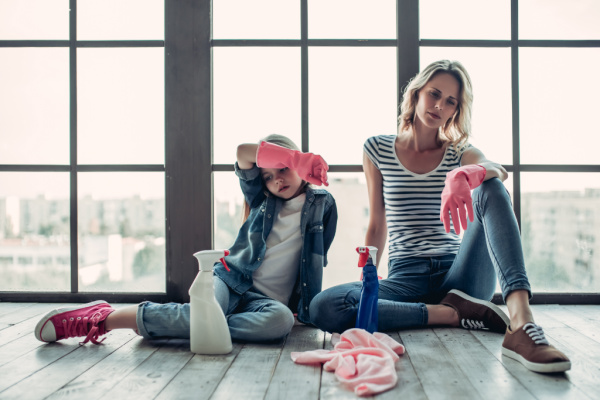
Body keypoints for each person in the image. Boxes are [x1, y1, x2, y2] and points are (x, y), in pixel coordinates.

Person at [309, 60, 571, 373]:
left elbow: (498, 169)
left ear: (456, 111)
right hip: (406, 278)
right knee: (324, 307)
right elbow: (378, 223)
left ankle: (522, 323)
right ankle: (451, 314)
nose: (439, 105)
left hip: (461, 276)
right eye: (434, 93)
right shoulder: (376, 148)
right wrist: (370, 276)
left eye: (451, 102)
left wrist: (465, 174)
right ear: (416, 93)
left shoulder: (459, 151)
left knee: (490, 186)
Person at [34, 134, 337, 346]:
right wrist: (292, 158)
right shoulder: (260, 198)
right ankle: (103, 318)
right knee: (204, 314)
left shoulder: (323, 205)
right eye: (268, 176)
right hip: (230, 280)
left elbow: (315, 258)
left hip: (266, 304)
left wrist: (302, 305)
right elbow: (243, 152)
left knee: (280, 323)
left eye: (283, 170)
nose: (276, 180)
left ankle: (192, 325)